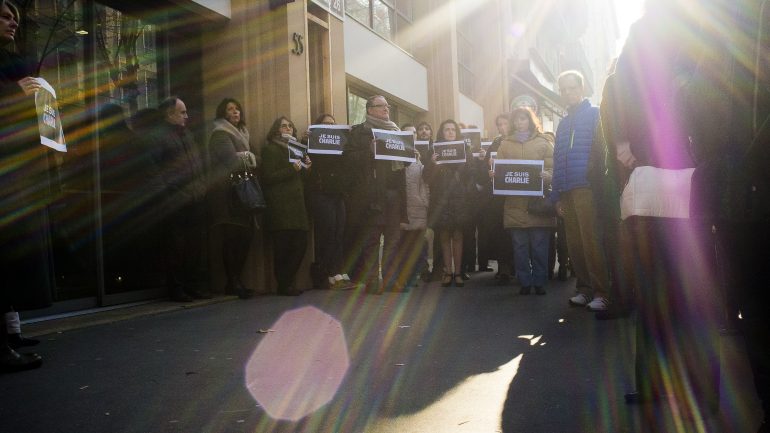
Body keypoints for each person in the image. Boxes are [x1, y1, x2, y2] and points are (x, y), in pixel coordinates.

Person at [608, 0, 722, 423]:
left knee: (692, 285)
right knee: (660, 284)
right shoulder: (643, 30)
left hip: (692, 163)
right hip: (656, 165)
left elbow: (716, 85)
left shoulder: (705, 27)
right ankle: (660, 383)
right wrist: (622, 140)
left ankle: (699, 386)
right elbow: (622, 88)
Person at [0, 0, 48, 371]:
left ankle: (10, 336)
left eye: (14, 17)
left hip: (15, 171)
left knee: (12, 259)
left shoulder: (11, 60)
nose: (12, 22)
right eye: (4, 16)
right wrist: (17, 95)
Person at [551, 70, 611, 312]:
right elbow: (557, 158)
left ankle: (603, 292)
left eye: (572, 88)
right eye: (563, 89)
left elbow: (601, 150)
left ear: (582, 88)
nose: (568, 93)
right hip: (567, 189)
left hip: (586, 187)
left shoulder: (595, 114)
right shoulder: (563, 123)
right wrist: (556, 194)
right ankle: (584, 289)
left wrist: (594, 179)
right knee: (574, 243)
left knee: (591, 241)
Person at [146, 96, 209, 302]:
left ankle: (191, 285)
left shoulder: (186, 135)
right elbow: (154, 171)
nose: (186, 116)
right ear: (169, 114)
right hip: (175, 201)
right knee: (175, 247)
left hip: (194, 199)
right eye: (182, 112)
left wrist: (201, 187)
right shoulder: (157, 136)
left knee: (193, 246)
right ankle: (176, 288)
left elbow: (196, 164)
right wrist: (169, 195)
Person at [343, 95, 406, 294]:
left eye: (387, 106)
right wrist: (369, 151)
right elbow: (349, 160)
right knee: (371, 239)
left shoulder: (396, 131)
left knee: (393, 239)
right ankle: (371, 280)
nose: (386, 109)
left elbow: (404, 163)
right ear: (370, 110)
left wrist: (410, 155)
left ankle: (390, 279)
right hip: (372, 193)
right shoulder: (359, 132)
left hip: (394, 192)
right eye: (381, 106)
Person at [496, 108, 555, 295]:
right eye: (517, 120)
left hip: (537, 204)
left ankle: (539, 281)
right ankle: (524, 281)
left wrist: (549, 175)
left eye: (523, 119)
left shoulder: (543, 143)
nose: (519, 122)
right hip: (515, 204)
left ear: (530, 120)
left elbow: (554, 167)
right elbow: (499, 170)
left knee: (539, 246)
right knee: (519, 247)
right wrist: (494, 175)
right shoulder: (504, 145)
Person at [208, 98, 257, 299]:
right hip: (228, 193)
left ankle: (237, 280)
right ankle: (232, 282)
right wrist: (249, 158)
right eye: (230, 109)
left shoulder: (244, 134)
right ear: (223, 113)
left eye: (237, 108)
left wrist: (248, 157)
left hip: (243, 193)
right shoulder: (220, 133)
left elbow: (256, 158)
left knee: (245, 238)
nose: (235, 111)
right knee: (232, 238)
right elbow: (231, 161)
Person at [304, 113, 354, 291]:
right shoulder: (311, 144)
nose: (330, 127)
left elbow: (348, 165)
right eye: (326, 124)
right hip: (320, 192)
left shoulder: (341, 145)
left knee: (338, 233)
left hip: (337, 193)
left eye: (333, 124)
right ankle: (323, 274)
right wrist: (308, 141)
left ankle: (337, 273)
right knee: (326, 233)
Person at [261, 116, 311, 296]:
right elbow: (267, 177)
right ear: (276, 130)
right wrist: (293, 169)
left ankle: (288, 281)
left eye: (290, 126)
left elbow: (301, 179)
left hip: (297, 206)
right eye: (284, 126)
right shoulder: (271, 149)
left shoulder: (297, 149)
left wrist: (306, 168)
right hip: (280, 205)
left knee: (300, 244)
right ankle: (284, 284)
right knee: (283, 247)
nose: (288, 128)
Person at [424, 119, 472, 287]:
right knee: (444, 235)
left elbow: (471, 175)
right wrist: (432, 163)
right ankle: (447, 272)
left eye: (453, 129)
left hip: (459, 198)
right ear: (441, 132)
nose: (450, 132)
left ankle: (458, 272)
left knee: (458, 235)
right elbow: (426, 178)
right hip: (440, 198)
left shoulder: (465, 149)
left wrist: (465, 164)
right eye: (446, 129)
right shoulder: (434, 149)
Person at [482, 114, 515, 284]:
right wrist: (488, 170)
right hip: (498, 195)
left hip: (516, 193)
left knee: (515, 230)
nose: (502, 127)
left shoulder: (518, 140)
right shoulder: (495, 143)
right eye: (499, 124)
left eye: (505, 123)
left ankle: (516, 265)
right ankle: (504, 267)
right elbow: (483, 169)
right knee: (501, 231)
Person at [397, 124, 429, 289]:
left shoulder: (421, 156)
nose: (413, 134)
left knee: (419, 245)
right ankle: (404, 277)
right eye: (408, 132)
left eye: (414, 132)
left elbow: (426, 184)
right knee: (403, 245)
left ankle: (415, 275)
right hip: (402, 208)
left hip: (418, 207)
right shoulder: (395, 155)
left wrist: (425, 202)